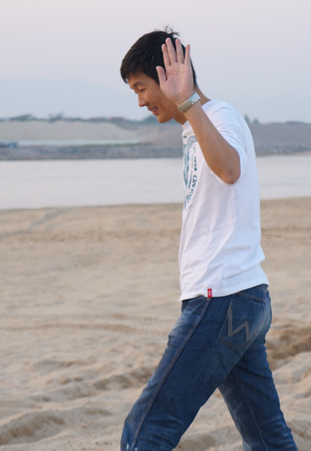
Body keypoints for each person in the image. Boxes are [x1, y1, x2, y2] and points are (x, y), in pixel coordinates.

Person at [118, 29, 297, 450]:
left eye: (142, 88)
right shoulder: (197, 126)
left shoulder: (219, 115)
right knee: (267, 437)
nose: (140, 101)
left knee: (147, 429)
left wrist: (188, 102)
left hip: (222, 297)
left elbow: (230, 169)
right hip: (242, 297)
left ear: (168, 76)